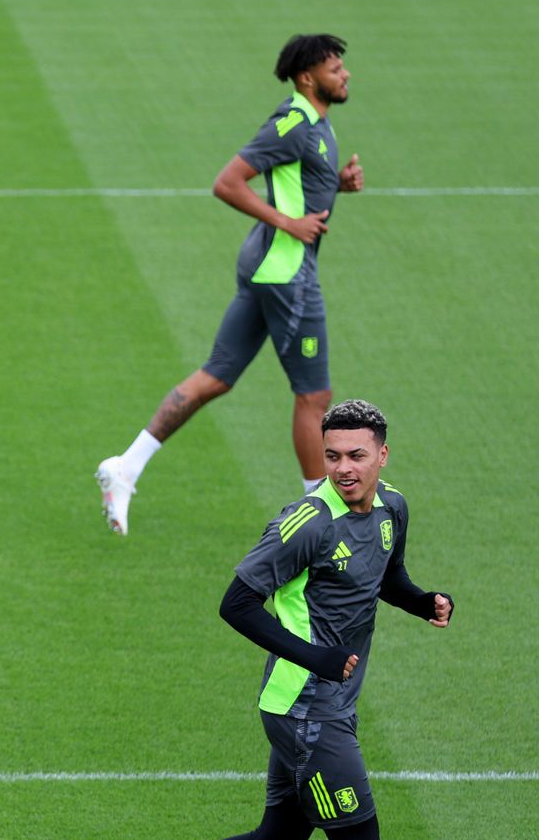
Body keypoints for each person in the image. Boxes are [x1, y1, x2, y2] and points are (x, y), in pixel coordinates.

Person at [96, 400, 451, 840]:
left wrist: (422, 601)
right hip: (305, 711)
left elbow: (384, 577)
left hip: (321, 706)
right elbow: (236, 603)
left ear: (382, 457)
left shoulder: (392, 508)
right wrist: (317, 656)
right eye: (333, 455)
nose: (342, 469)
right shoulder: (306, 524)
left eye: (356, 456)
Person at [97, 34, 364, 536]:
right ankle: (318, 516)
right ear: (308, 77)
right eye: (334, 67)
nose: (345, 73)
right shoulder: (292, 123)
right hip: (286, 274)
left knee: (217, 376)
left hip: (268, 266)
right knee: (314, 396)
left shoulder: (319, 124)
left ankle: (125, 467)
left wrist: (338, 185)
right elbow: (227, 182)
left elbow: (300, 187)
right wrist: (289, 224)